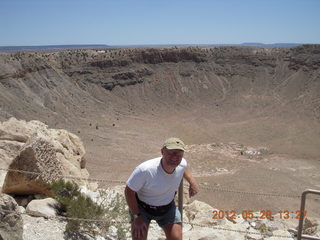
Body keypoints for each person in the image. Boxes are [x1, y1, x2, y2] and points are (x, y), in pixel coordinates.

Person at [125, 137, 199, 240]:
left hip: (167, 208)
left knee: (176, 238)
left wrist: (192, 181)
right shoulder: (145, 170)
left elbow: (184, 167)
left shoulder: (181, 163)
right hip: (142, 208)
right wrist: (137, 216)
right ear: (162, 151)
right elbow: (129, 191)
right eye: (171, 152)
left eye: (179, 154)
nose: (175, 157)